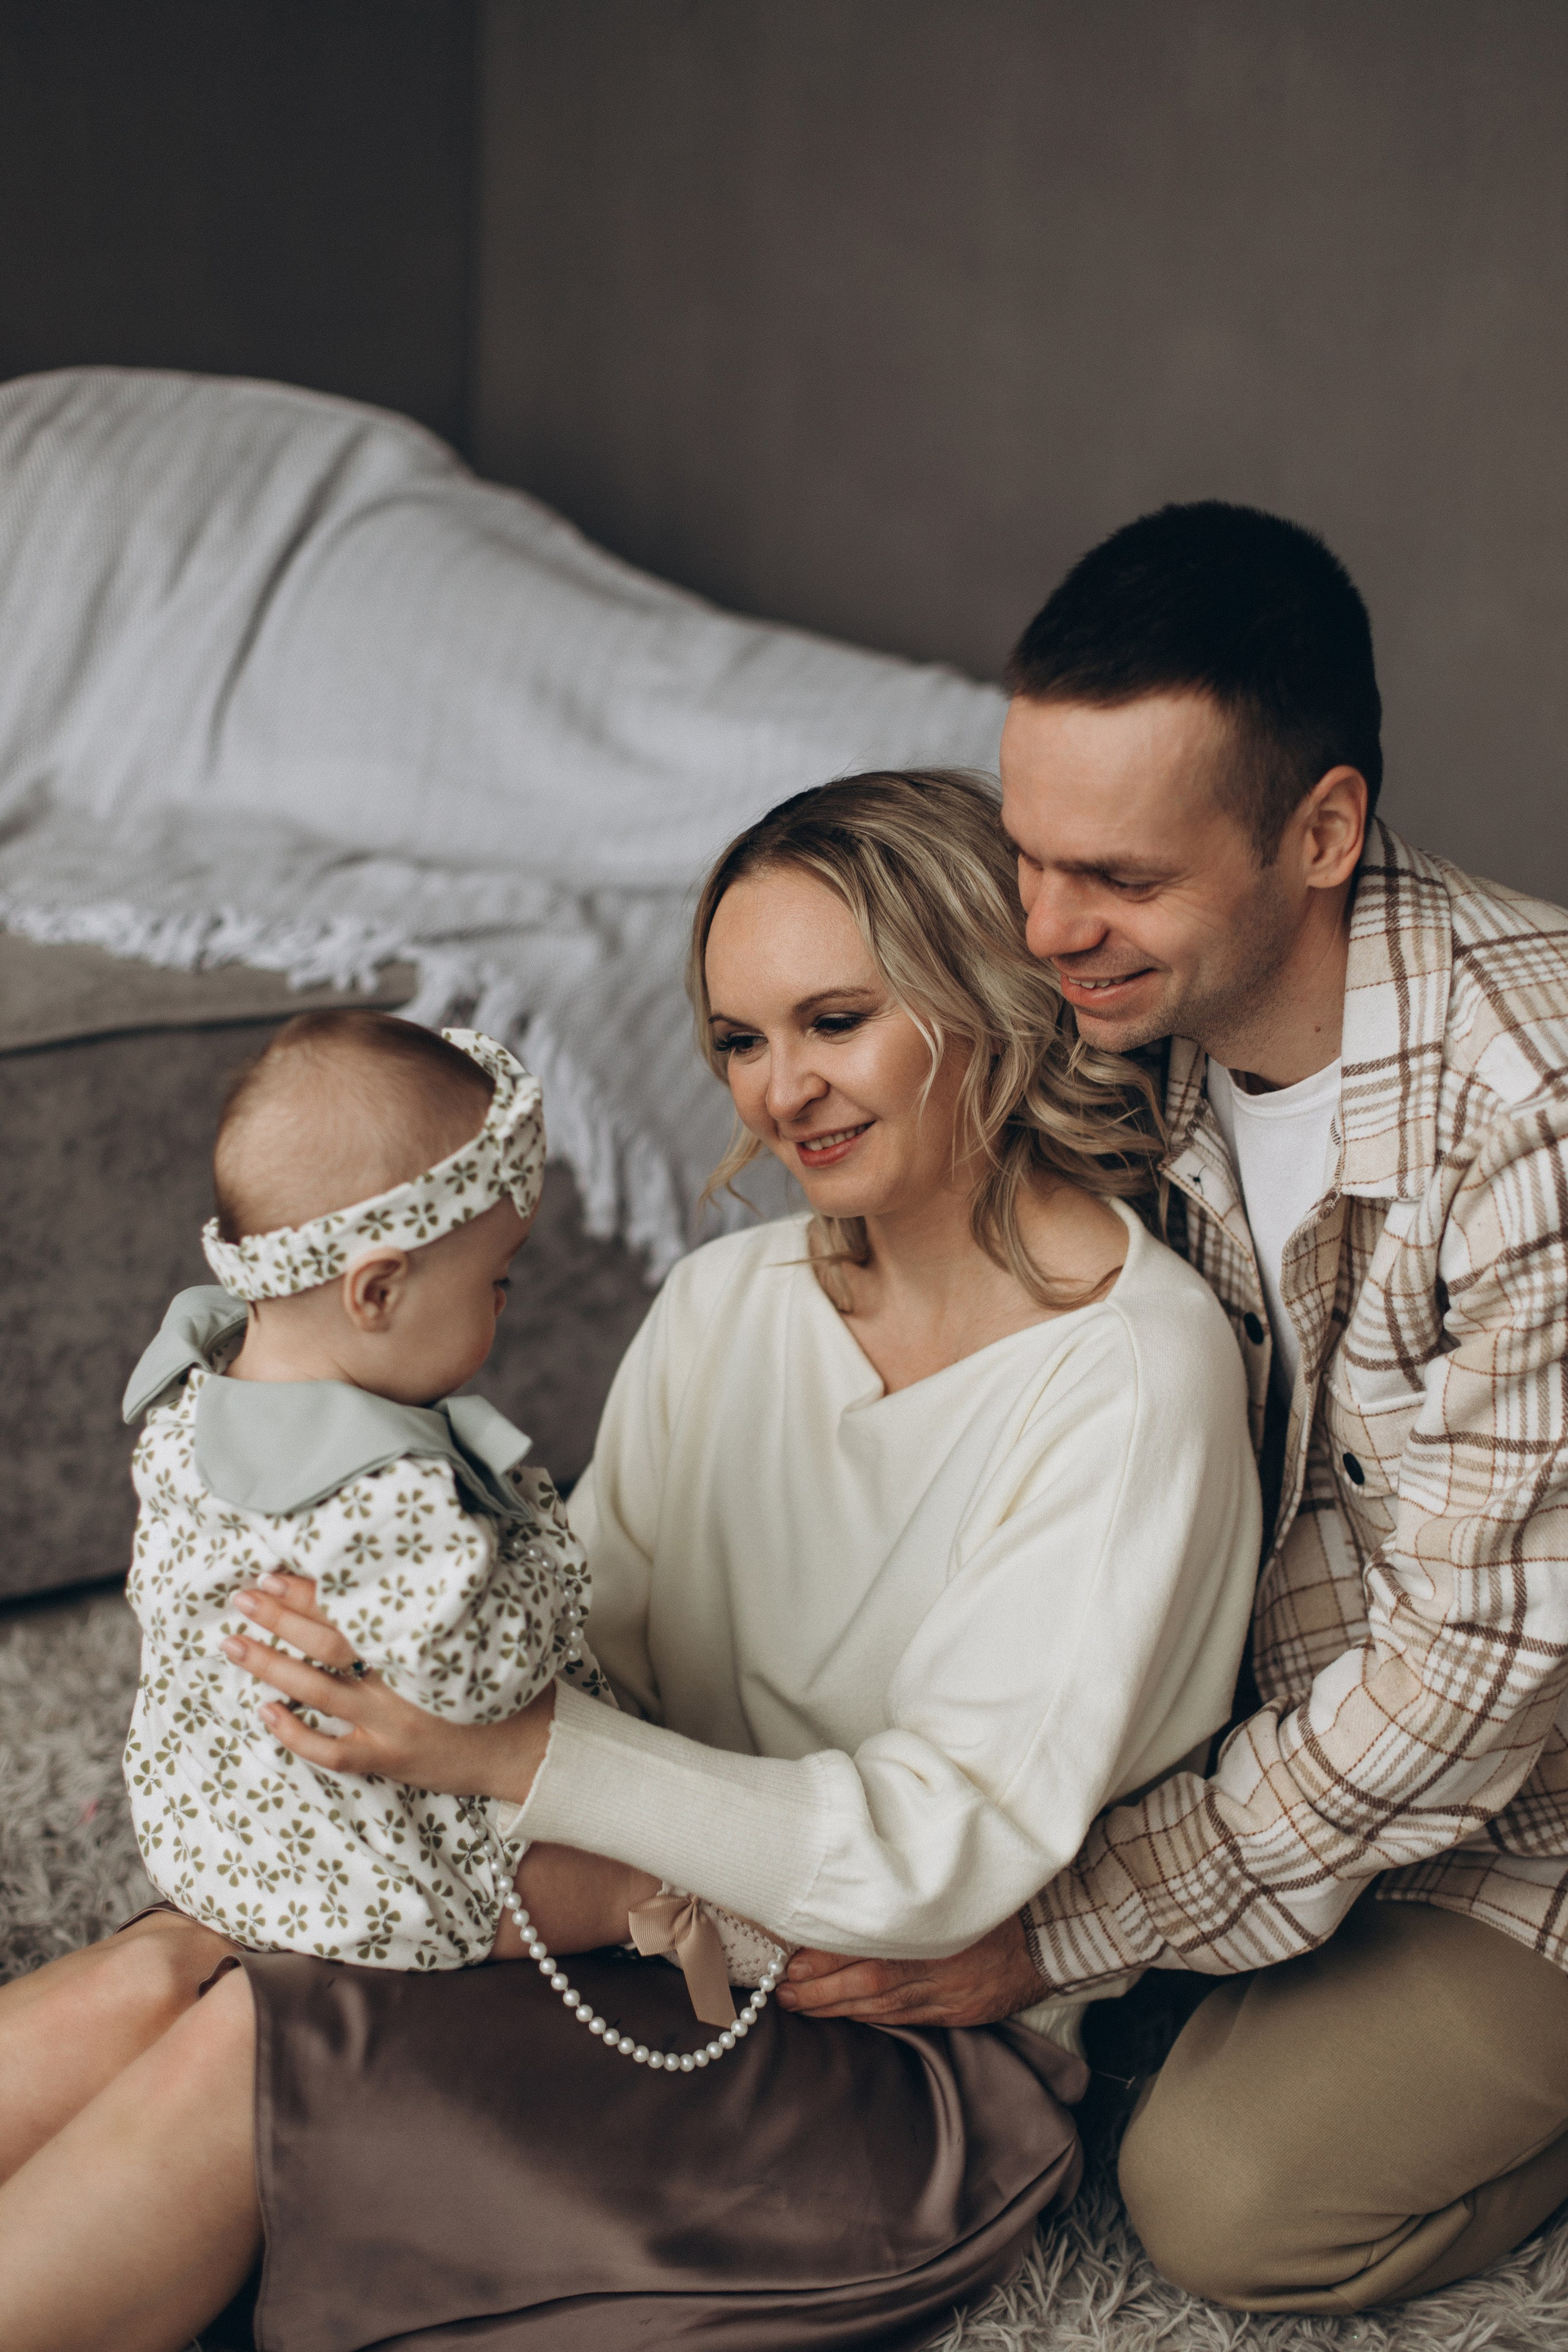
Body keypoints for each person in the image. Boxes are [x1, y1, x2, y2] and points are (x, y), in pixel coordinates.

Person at [0, 768, 1260, 2352]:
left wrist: (507, 1757)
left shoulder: (1133, 1374)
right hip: (624, 1912)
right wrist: (379, 1700)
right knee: (165, 1969)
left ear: (985, 999)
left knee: (256, 2031)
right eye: (740, 1040)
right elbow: (584, 1640)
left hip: (878, 2031)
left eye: (834, 1021)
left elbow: (941, 1861)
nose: (781, 1090)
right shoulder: (727, 1302)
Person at [785, 501, 1568, 2316]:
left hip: (1531, 1801)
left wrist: (1070, 1926)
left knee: (1222, 2202)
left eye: (1121, 879)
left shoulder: (1533, 1119)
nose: (1049, 929)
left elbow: (1467, 1684)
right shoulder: (1125, 1014)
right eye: (1030, 856)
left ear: (1324, 832)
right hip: (1285, 1711)